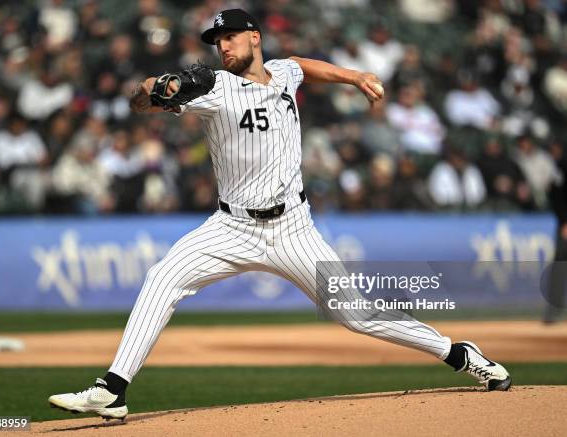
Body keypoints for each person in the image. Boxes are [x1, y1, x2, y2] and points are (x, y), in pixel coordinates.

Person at [48, 9, 511, 421]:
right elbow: (143, 97)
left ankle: (457, 353)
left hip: (292, 228)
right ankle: (113, 390)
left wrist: (352, 76)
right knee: (162, 279)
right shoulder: (214, 86)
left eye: (229, 36)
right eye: (216, 40)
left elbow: (303, 67)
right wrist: (155, 89)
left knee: (356, 314)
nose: (223, 45)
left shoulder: (281, 72)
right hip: (231, 227)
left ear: (254, 36)